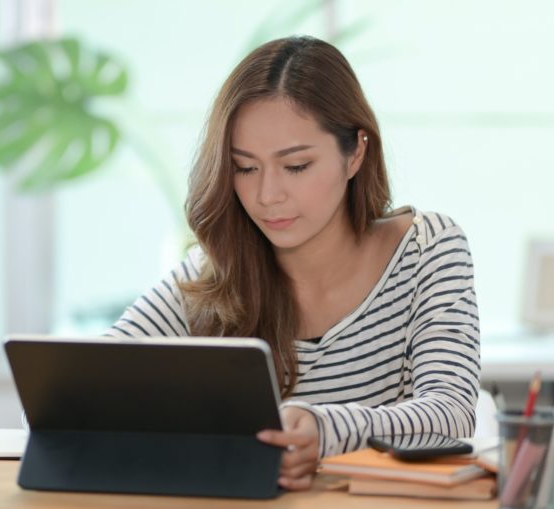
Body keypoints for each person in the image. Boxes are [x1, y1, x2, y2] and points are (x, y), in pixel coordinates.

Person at [105, 35, 480, 491]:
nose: (267, 196)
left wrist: (322, 430)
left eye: (296, 166)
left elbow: (452, 413)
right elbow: (81, 392)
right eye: (245, 168)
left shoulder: (428, 249)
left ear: (356, 152)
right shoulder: (216, 271)